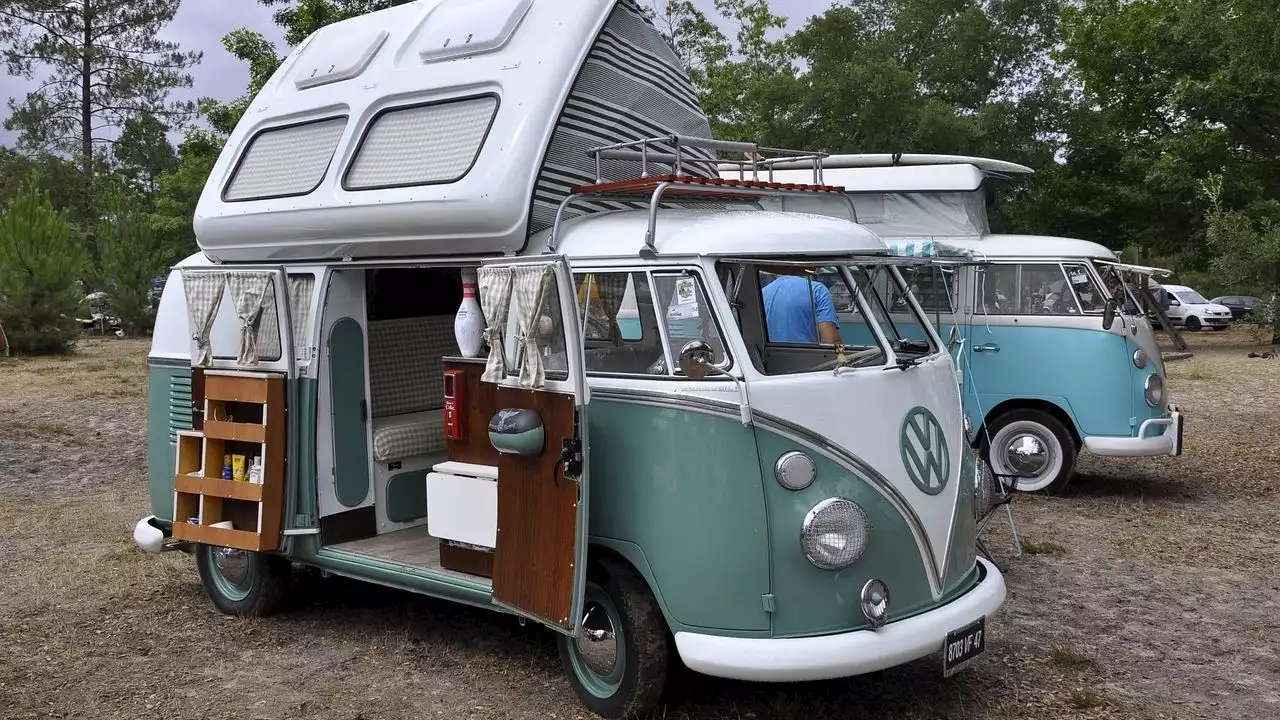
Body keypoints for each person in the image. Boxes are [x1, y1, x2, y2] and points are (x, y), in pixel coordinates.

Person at [761, 272, 842, 344]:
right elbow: (830, 342)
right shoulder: (817, 290)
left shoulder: (762, 293)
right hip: (809, 359)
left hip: (769, 359)